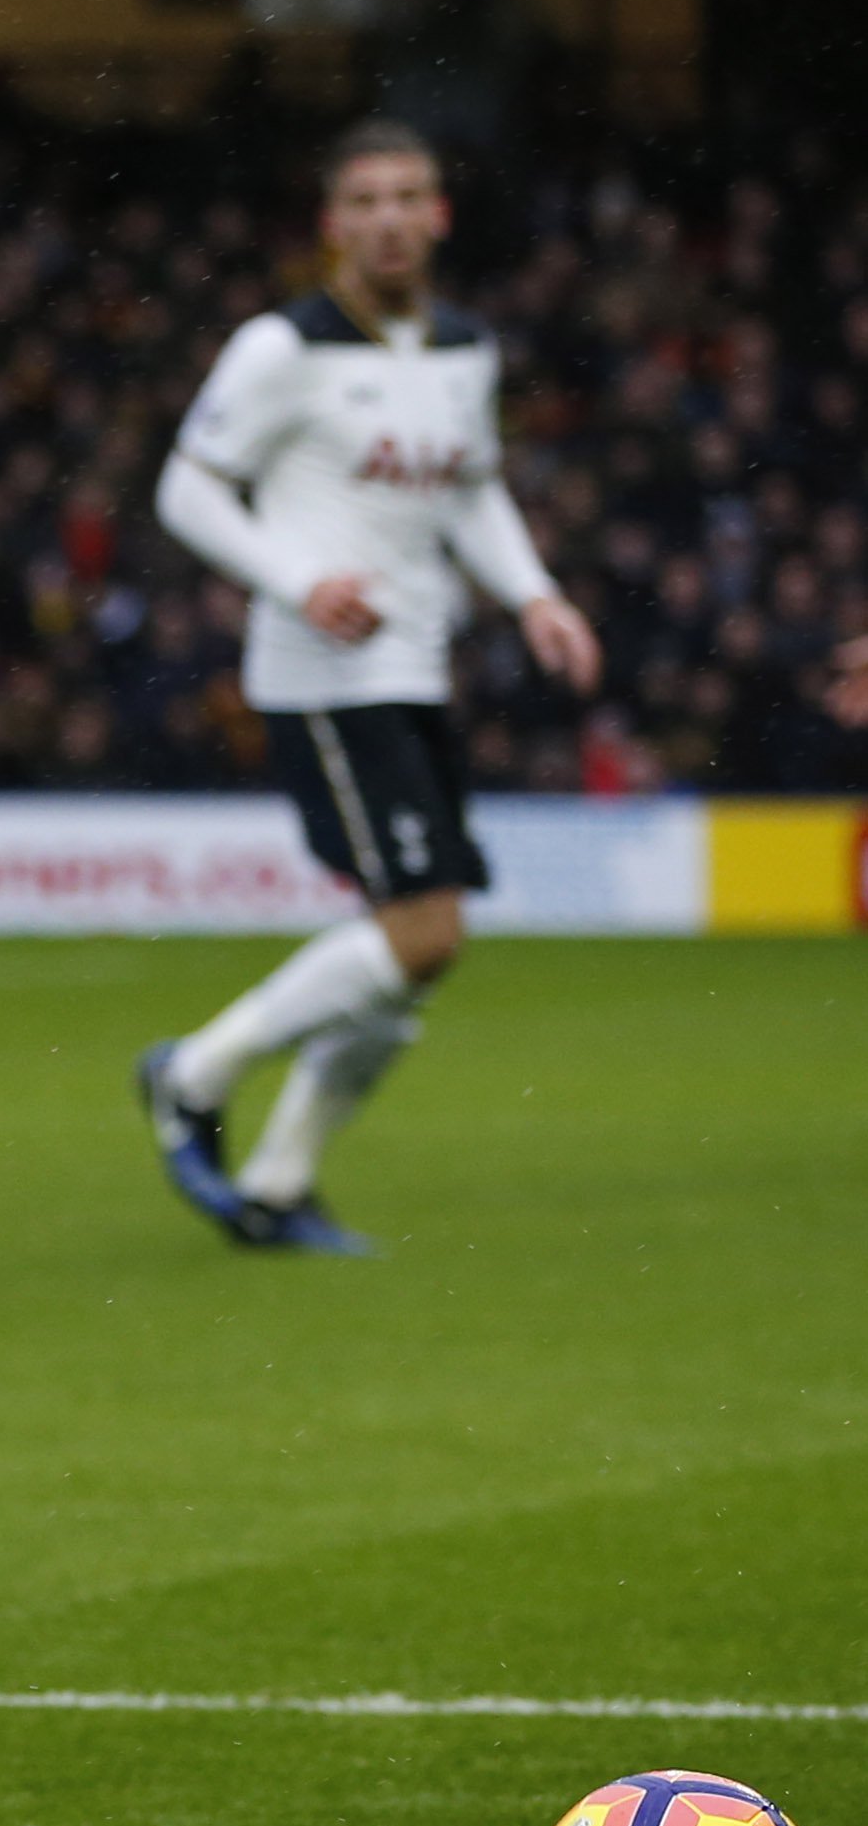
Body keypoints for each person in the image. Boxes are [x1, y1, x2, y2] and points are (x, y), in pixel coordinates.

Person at [141, 119, 603, 1252]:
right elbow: (187, 492)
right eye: (365, 201)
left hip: (415, 670)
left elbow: (471, 494)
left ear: (439, 215)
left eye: (409, 197)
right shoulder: (281, 347)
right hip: (323, 680)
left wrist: (535, 595)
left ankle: (279, 1187)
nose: (389, 219)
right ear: (331, 225)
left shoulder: (461, 347)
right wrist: (297, 579)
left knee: (405, 957)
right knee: (422, 935)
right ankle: (194, 1074)